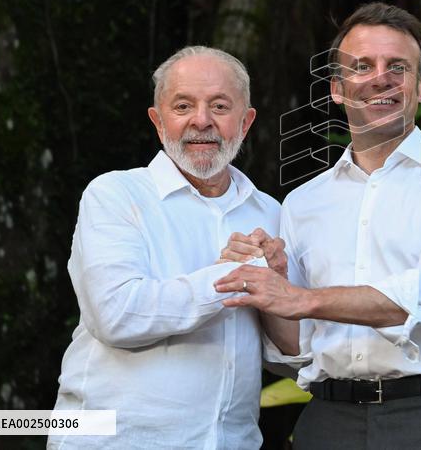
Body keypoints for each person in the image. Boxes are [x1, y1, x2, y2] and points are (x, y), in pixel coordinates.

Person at [215, 3, 421, 449]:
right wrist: (269, 288)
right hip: (329, 422)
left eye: (398, 67)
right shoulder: (303, 202)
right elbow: (299, 345)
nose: (380, 78)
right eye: (362, 66)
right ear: (337, 88)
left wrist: (300, 297)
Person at [50, 46, 281, 449]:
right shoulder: (115, 194)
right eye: (183, 106)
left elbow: (286, 354)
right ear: (158, 122)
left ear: (246, 122)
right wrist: (231, 278)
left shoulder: (272, 213)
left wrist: (280, 289)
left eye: (220, 106)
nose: (202, 121)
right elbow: (118, 315)